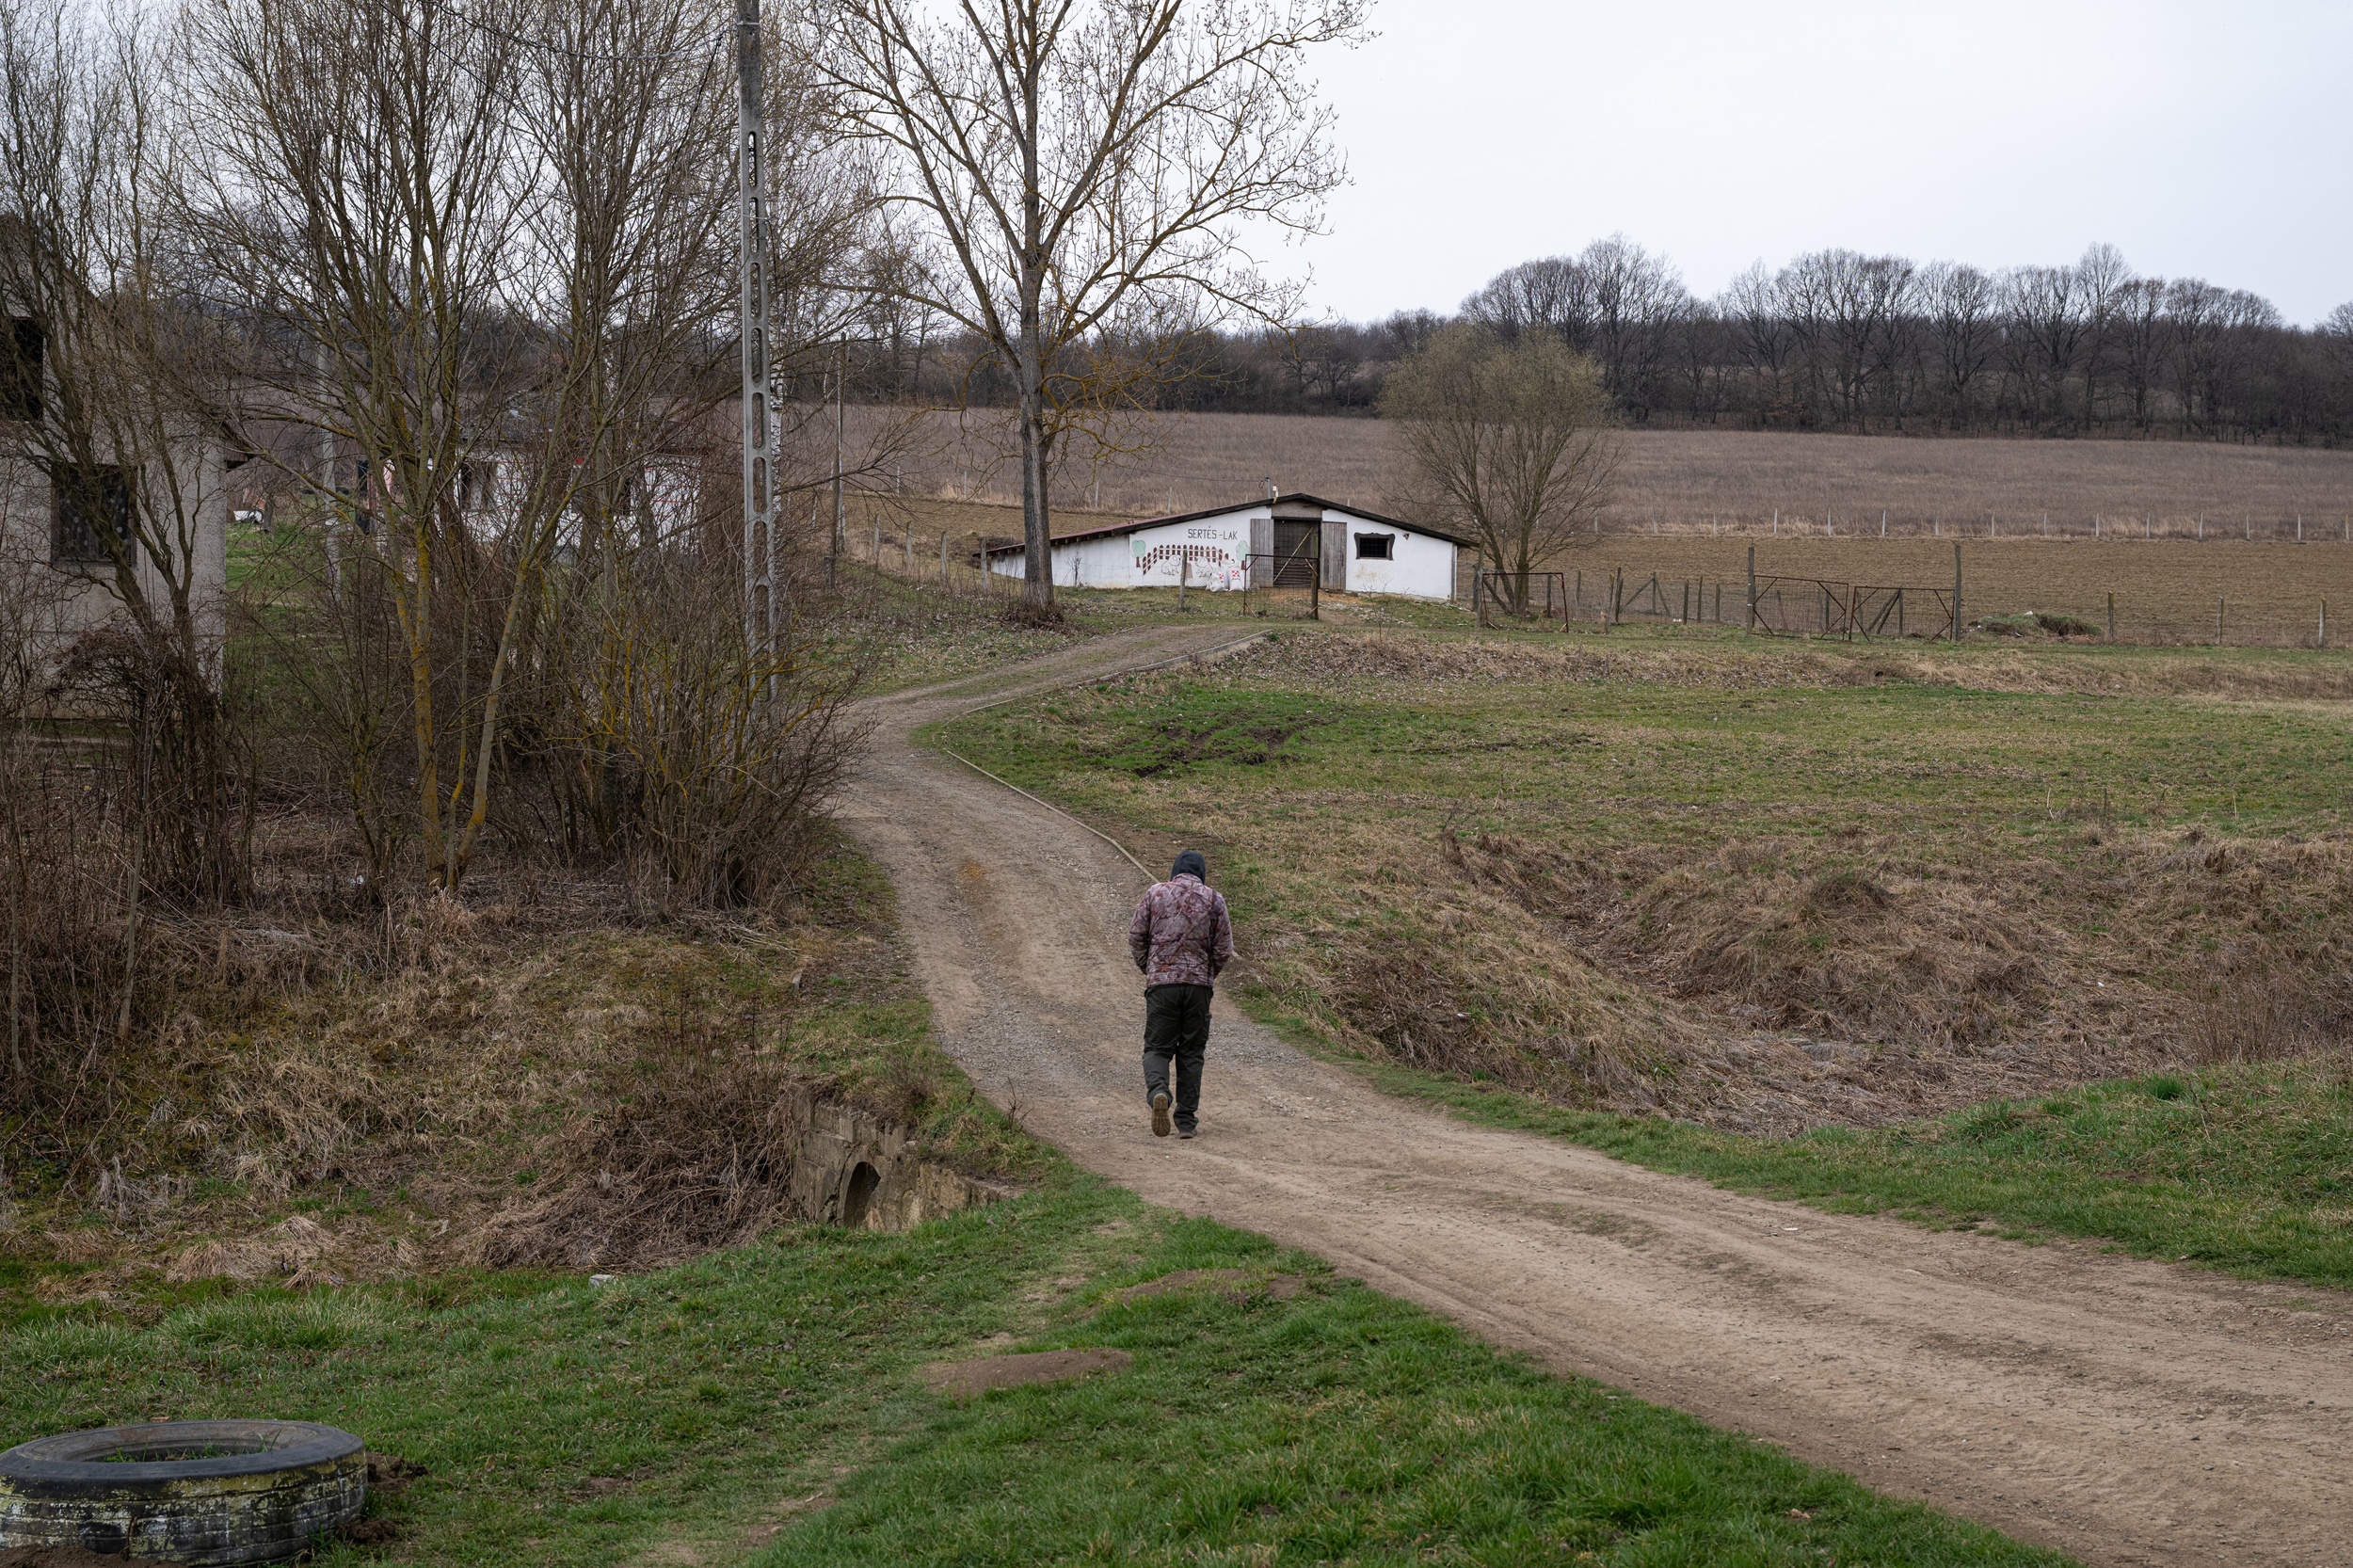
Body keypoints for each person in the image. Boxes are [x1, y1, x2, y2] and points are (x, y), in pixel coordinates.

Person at [1126, 850, 1234, 1139]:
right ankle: (1186, 1121)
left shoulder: (1155, 893)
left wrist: (1150, 969)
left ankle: (1159, 1092)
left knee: (1157, 1048)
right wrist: (1207, 976)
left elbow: (1136, 936)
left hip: (1162, 985)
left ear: (1174, 871)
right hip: (1198, 987)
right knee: (1191, 1052)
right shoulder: (1214, 899)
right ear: (1201, 873)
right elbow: (1224, 948)